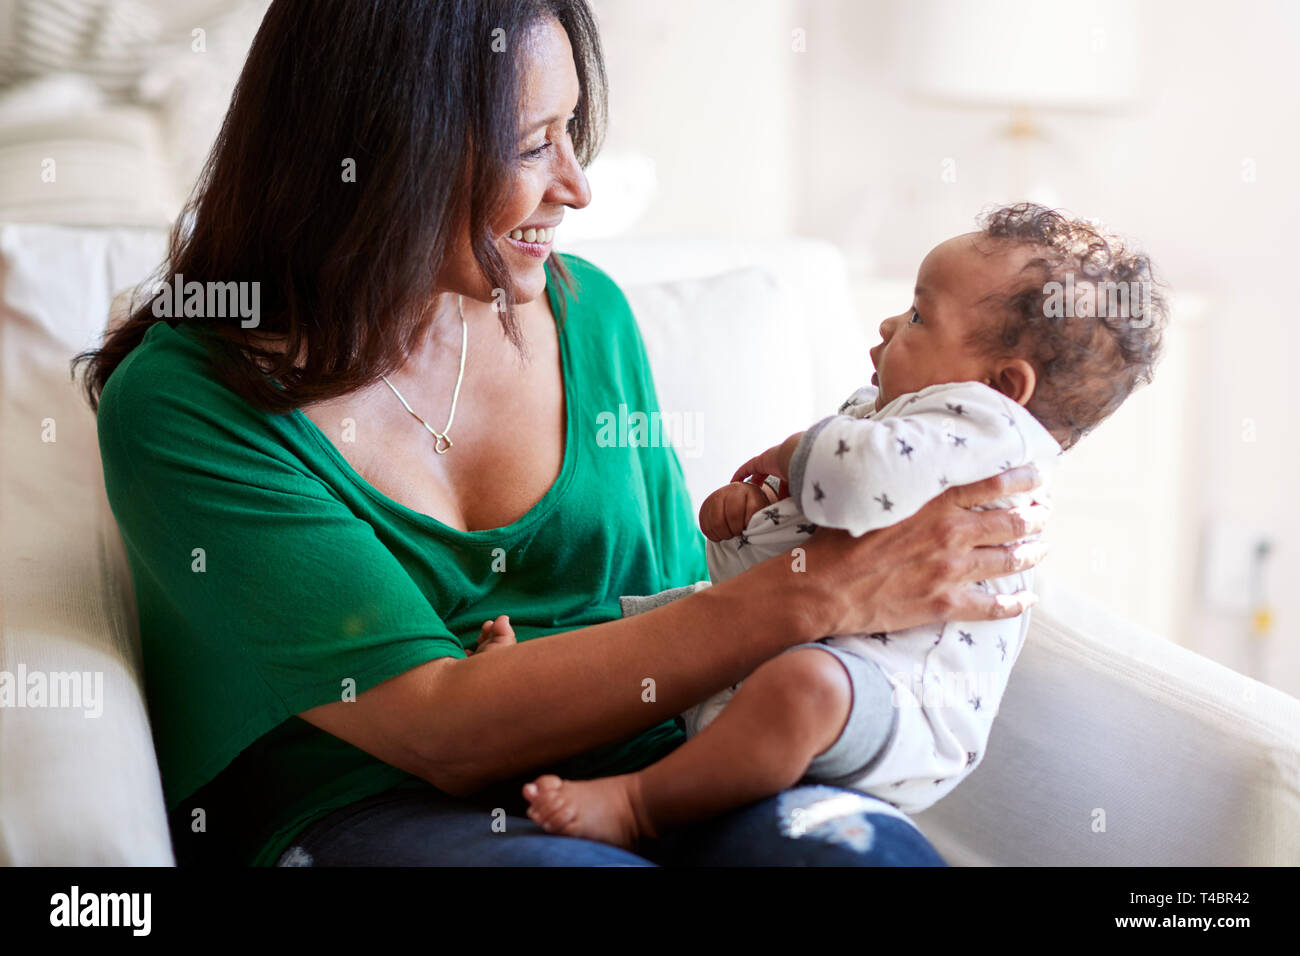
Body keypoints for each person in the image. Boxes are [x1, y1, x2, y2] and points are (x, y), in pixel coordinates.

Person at [74, 0, 1049, 867]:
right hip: (366, 803)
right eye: (533, 143)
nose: (575, 187)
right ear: (383, 148)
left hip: (652, 773)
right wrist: (822, 591)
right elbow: (438, 730)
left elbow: (683, 614)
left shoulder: (592, 318)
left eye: (572, 131)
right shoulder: (189, 403)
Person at [521, 204, 1167, 848]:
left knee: (803, 690)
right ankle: (531, 690)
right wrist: (758, 506)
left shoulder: (991, 432)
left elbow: (858, 481)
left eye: (919, 316)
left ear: (1002, 384)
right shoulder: (899, 417)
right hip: (798, 645)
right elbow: (824, 513)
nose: (890, 322)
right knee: (653, 625)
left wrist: (787, 456)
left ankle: (641, 807)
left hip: (898, 701)